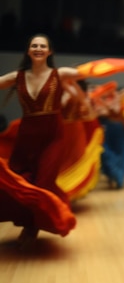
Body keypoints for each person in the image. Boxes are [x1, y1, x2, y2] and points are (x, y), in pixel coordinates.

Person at [0, 34, 85, 245]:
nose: (38, 48)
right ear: (29, 51)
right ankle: (27, 221)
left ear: (49, 52)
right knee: (20, 180)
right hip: (27, 137)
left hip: (52, 136)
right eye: (34, 46)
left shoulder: (60, 74)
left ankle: (32, 227)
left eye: (42, 46)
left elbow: (91, 70)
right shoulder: (17, 76)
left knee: (44, 182)